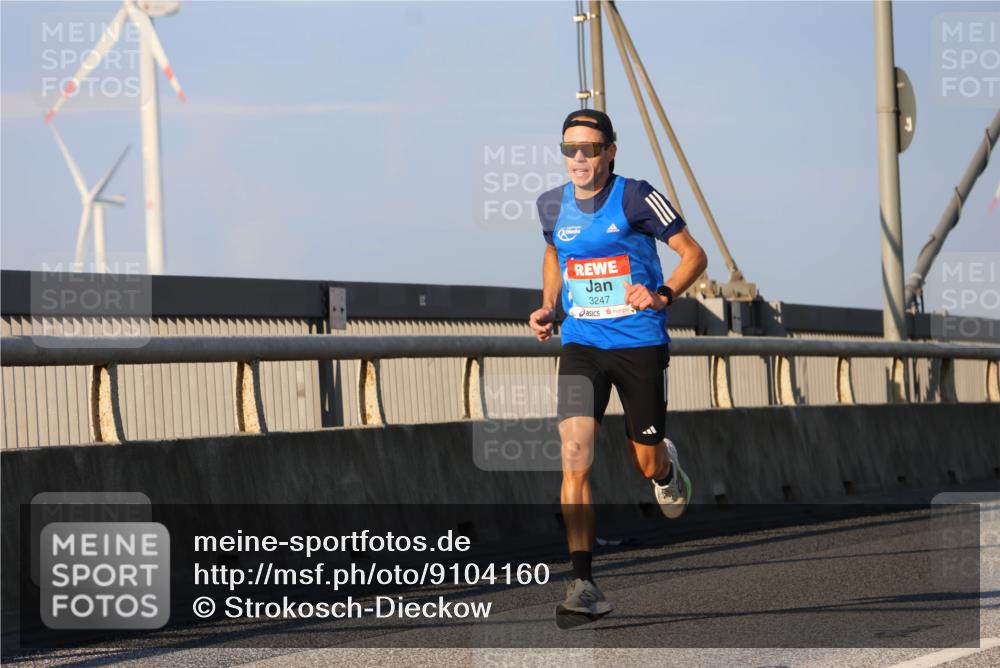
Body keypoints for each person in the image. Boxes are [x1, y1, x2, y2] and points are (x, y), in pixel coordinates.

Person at [528, 109, 708, 628]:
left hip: (638, 345)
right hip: (582, 345)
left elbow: (694, 255)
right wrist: (550, 307)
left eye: (589, 148)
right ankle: (583, 583)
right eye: (569, 148)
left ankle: (667, 469)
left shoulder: (636, 197)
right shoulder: (551, 204)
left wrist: (662, 294)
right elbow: (554, 252)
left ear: (610, 151)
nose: (578, 158)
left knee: (645, 464)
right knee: (574, 456)